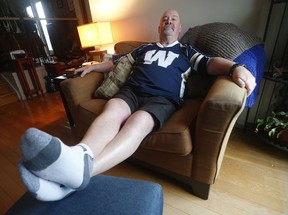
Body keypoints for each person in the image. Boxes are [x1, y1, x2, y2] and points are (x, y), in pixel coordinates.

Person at [18, 9, 256, 201]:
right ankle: (78, 155)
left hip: (163, 99)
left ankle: (77, 175)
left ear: (179, 28)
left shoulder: (186, 51)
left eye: (174, 19)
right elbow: (115, 63)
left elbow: (211, 63)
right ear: (159, 27)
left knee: (138, 122)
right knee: (113, 110)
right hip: (131, 91)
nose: (169, 21)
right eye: (165, 19)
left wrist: (236, 67)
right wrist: (92, 67)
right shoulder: (144, 48)